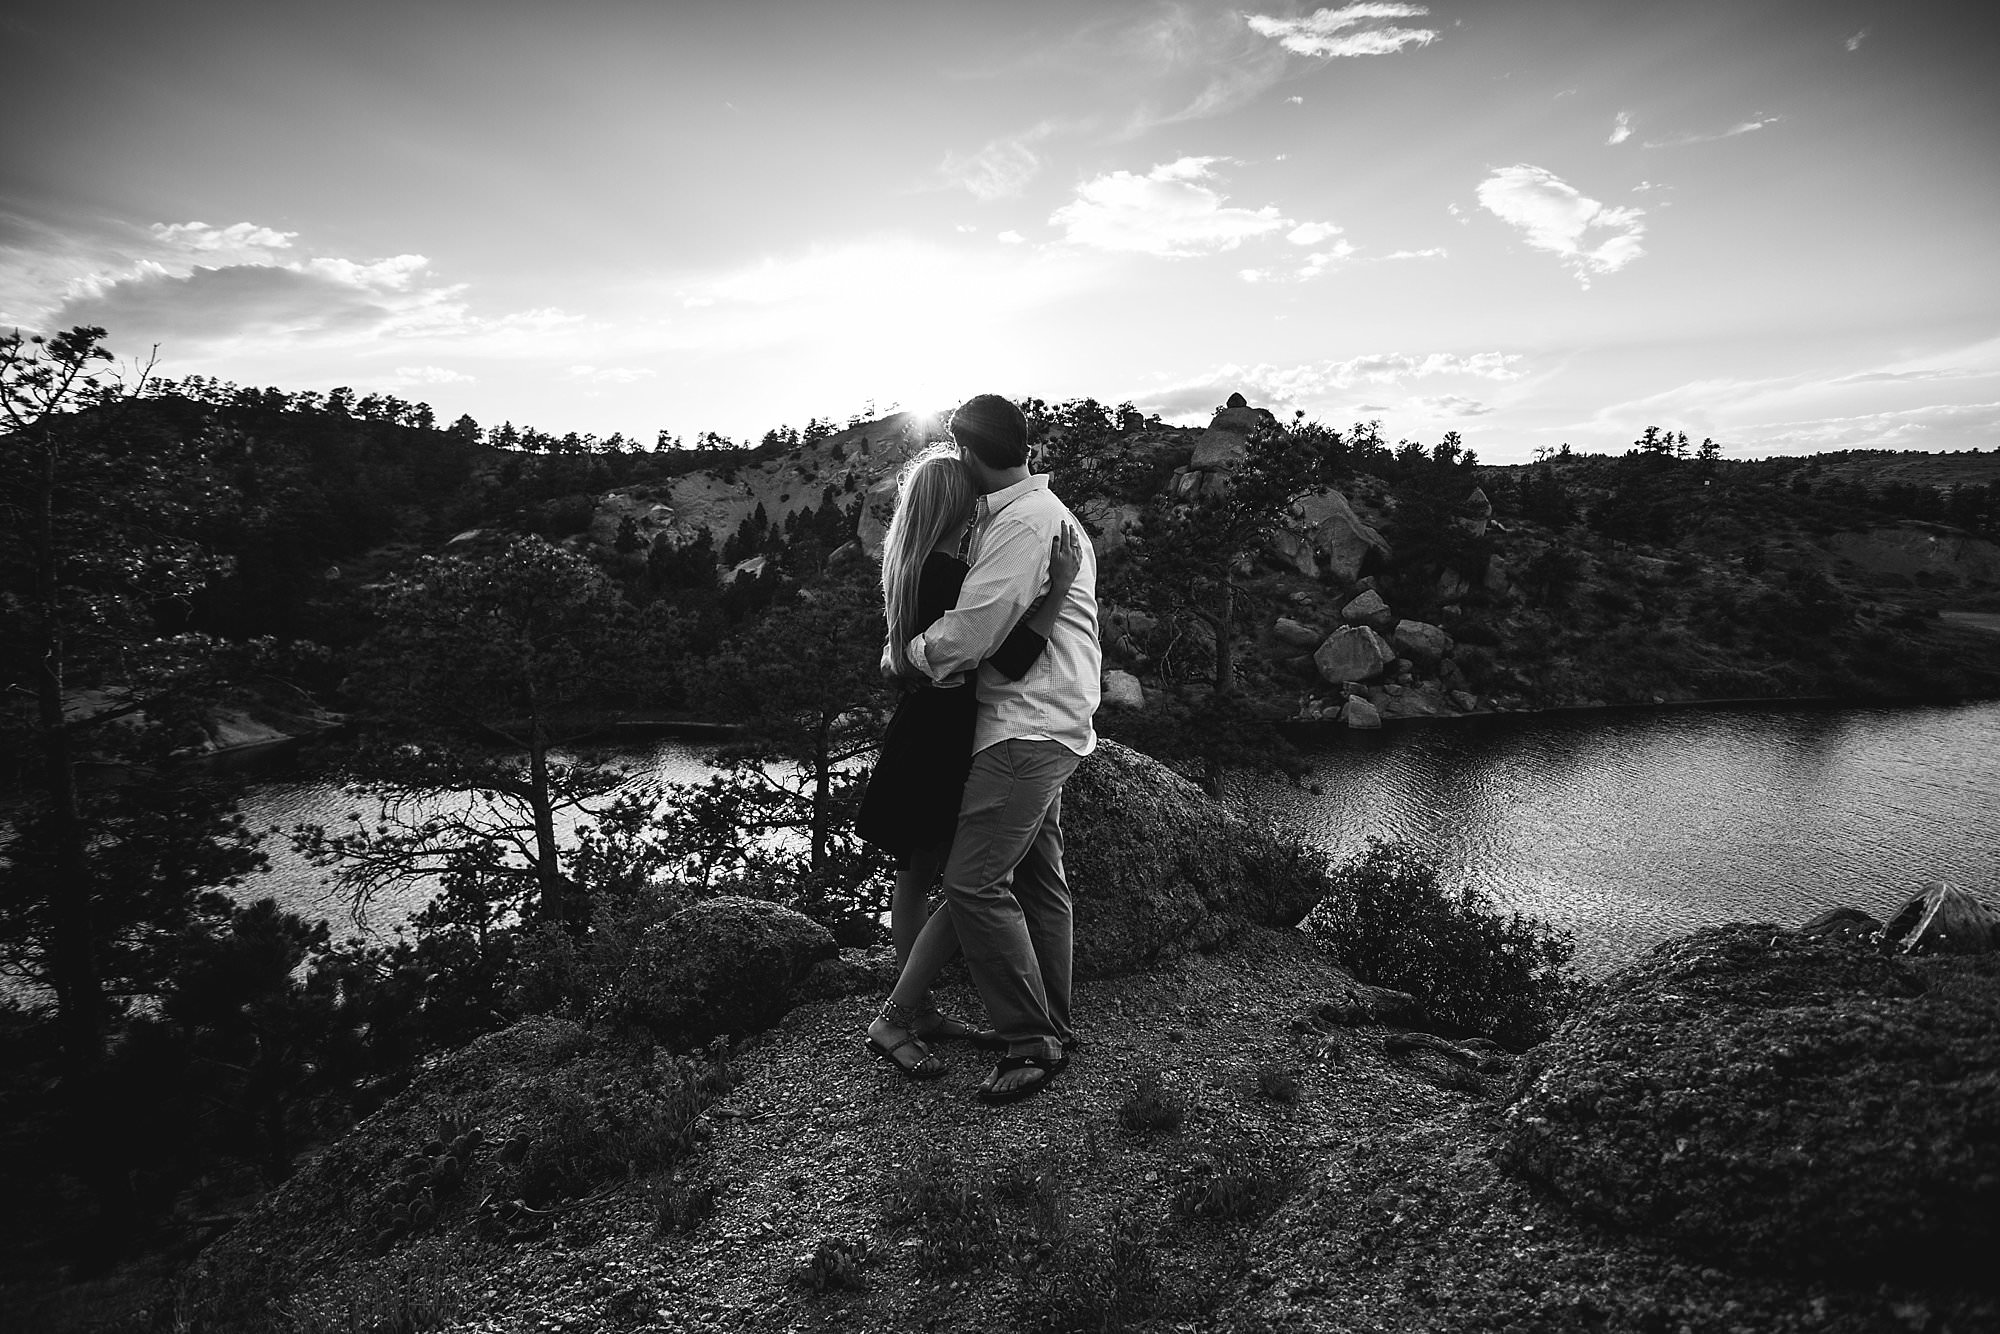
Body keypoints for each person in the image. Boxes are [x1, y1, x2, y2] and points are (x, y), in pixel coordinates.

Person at [868, 393, 1100, 1105]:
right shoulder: (1039, 518)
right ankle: (1050, 1021)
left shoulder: (1024, 526)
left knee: (971, 881)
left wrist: (904, 655)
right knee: (1037, 881)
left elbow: (975, 643)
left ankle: (1031, 1041)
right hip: (1039, 721)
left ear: (970, 454)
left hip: (1023, 726)